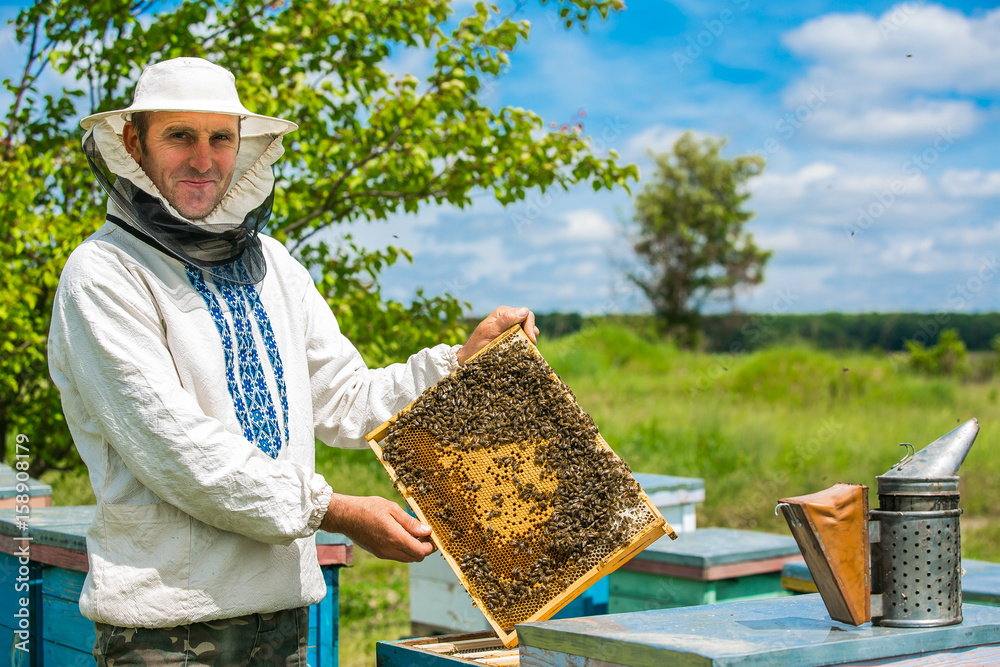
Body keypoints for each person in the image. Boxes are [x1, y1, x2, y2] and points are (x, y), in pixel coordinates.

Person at [48, 57, 538, 666]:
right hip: (166, 633)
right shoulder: (103, 276)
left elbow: (345, 398)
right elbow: (180, 451)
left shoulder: (274, 265)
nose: (203, 159)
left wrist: (461, 362)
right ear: (133, 142)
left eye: (220, 137)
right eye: (180, 135)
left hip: (282, 623)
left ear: (241, 147)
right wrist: (336, 511)